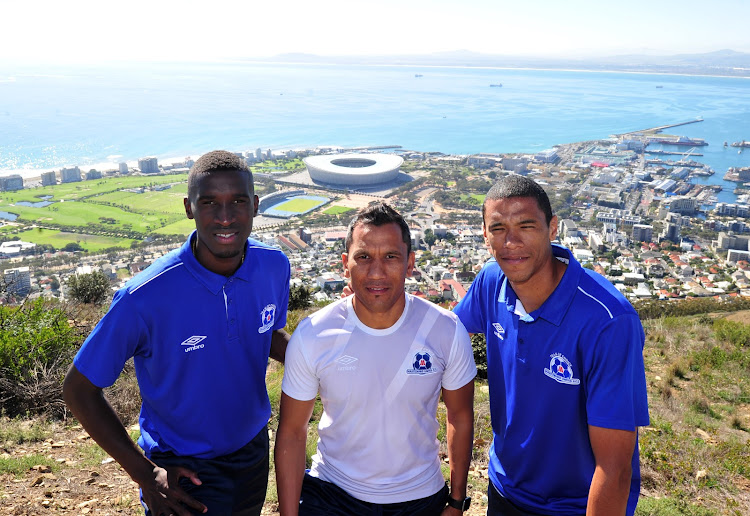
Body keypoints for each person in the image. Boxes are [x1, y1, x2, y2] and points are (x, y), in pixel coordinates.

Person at [63, 150, 291, 516]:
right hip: (184, 470)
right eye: (209, 203)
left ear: (256, 205)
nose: (226, 216)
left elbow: (265, 332)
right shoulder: (144, 296)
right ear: (189, 208)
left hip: (252, 452)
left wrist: (324, 361)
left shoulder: (274, 266)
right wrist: (145, 474)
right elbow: (78, 389)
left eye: (238, 201)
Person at [452, 174, 649, 515]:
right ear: (485, 235)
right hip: (505, 489)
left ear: (552, 227)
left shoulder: (607, 320)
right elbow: (444, 333)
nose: (511, 241)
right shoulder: (490, 281)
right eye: (498, 228)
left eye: (526, 225)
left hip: (576, 504)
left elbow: (615, 470)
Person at [275, 201, 477, 516]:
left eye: (391, 257)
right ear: (345, 264)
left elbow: (460, 417)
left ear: (410, 263)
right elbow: (291, 432)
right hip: (333, 494)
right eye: (364, 257)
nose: (377, 272)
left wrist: (456, 500)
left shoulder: (445, 330)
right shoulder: (314, 333)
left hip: (420, 498)